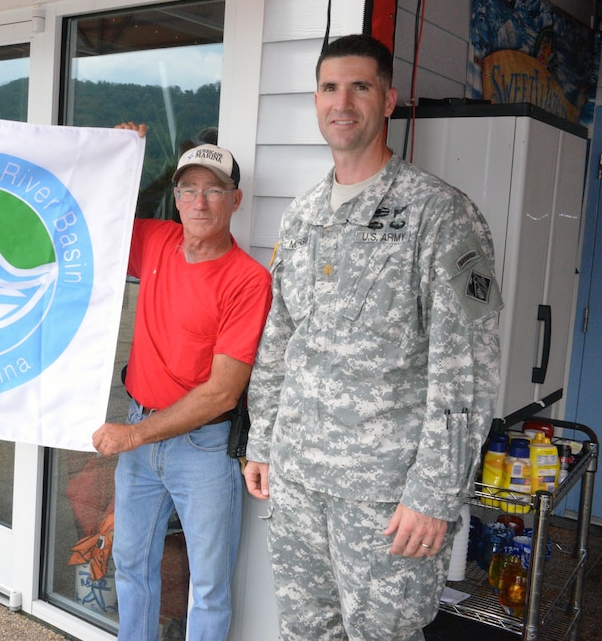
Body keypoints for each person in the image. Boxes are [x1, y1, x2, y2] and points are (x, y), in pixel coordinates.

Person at [242, 34, 502, 640]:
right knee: (307, 633)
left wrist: (436, 495)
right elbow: (281, 338)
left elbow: (466, 368)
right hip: (300, 479)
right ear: (315, 101)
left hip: (387, 499)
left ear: (388, 100)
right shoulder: (303, 214)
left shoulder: (441, 214)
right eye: (331, 88)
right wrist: (262, 442)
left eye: (360, 86)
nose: (344, 102)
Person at [93, 133, 273, 641]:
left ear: (235, 200)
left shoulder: (248, 280)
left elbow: (222, 392)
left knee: (209, 586)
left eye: (214, 190)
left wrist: (135, 435)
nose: (199, 201)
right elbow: (93, 217)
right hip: (139, 427)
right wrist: (119, 153)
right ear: (174, 197)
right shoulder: (155, 240)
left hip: (204, 447)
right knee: (131, 566)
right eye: (188, 189)